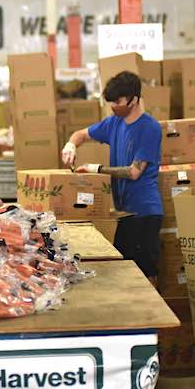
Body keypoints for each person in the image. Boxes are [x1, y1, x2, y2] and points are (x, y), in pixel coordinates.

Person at [61, 71, 163, 279]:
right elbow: (81, 134)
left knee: (145, 273)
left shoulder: (149, 128)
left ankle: (153, 311)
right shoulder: (113, 123)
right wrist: (71, 144)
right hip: (123, 212)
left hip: (144, 212)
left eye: (118, 101)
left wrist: (96, 169)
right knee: (125, 271)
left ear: (134, 100)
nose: (113, 106)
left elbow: (134, 171)